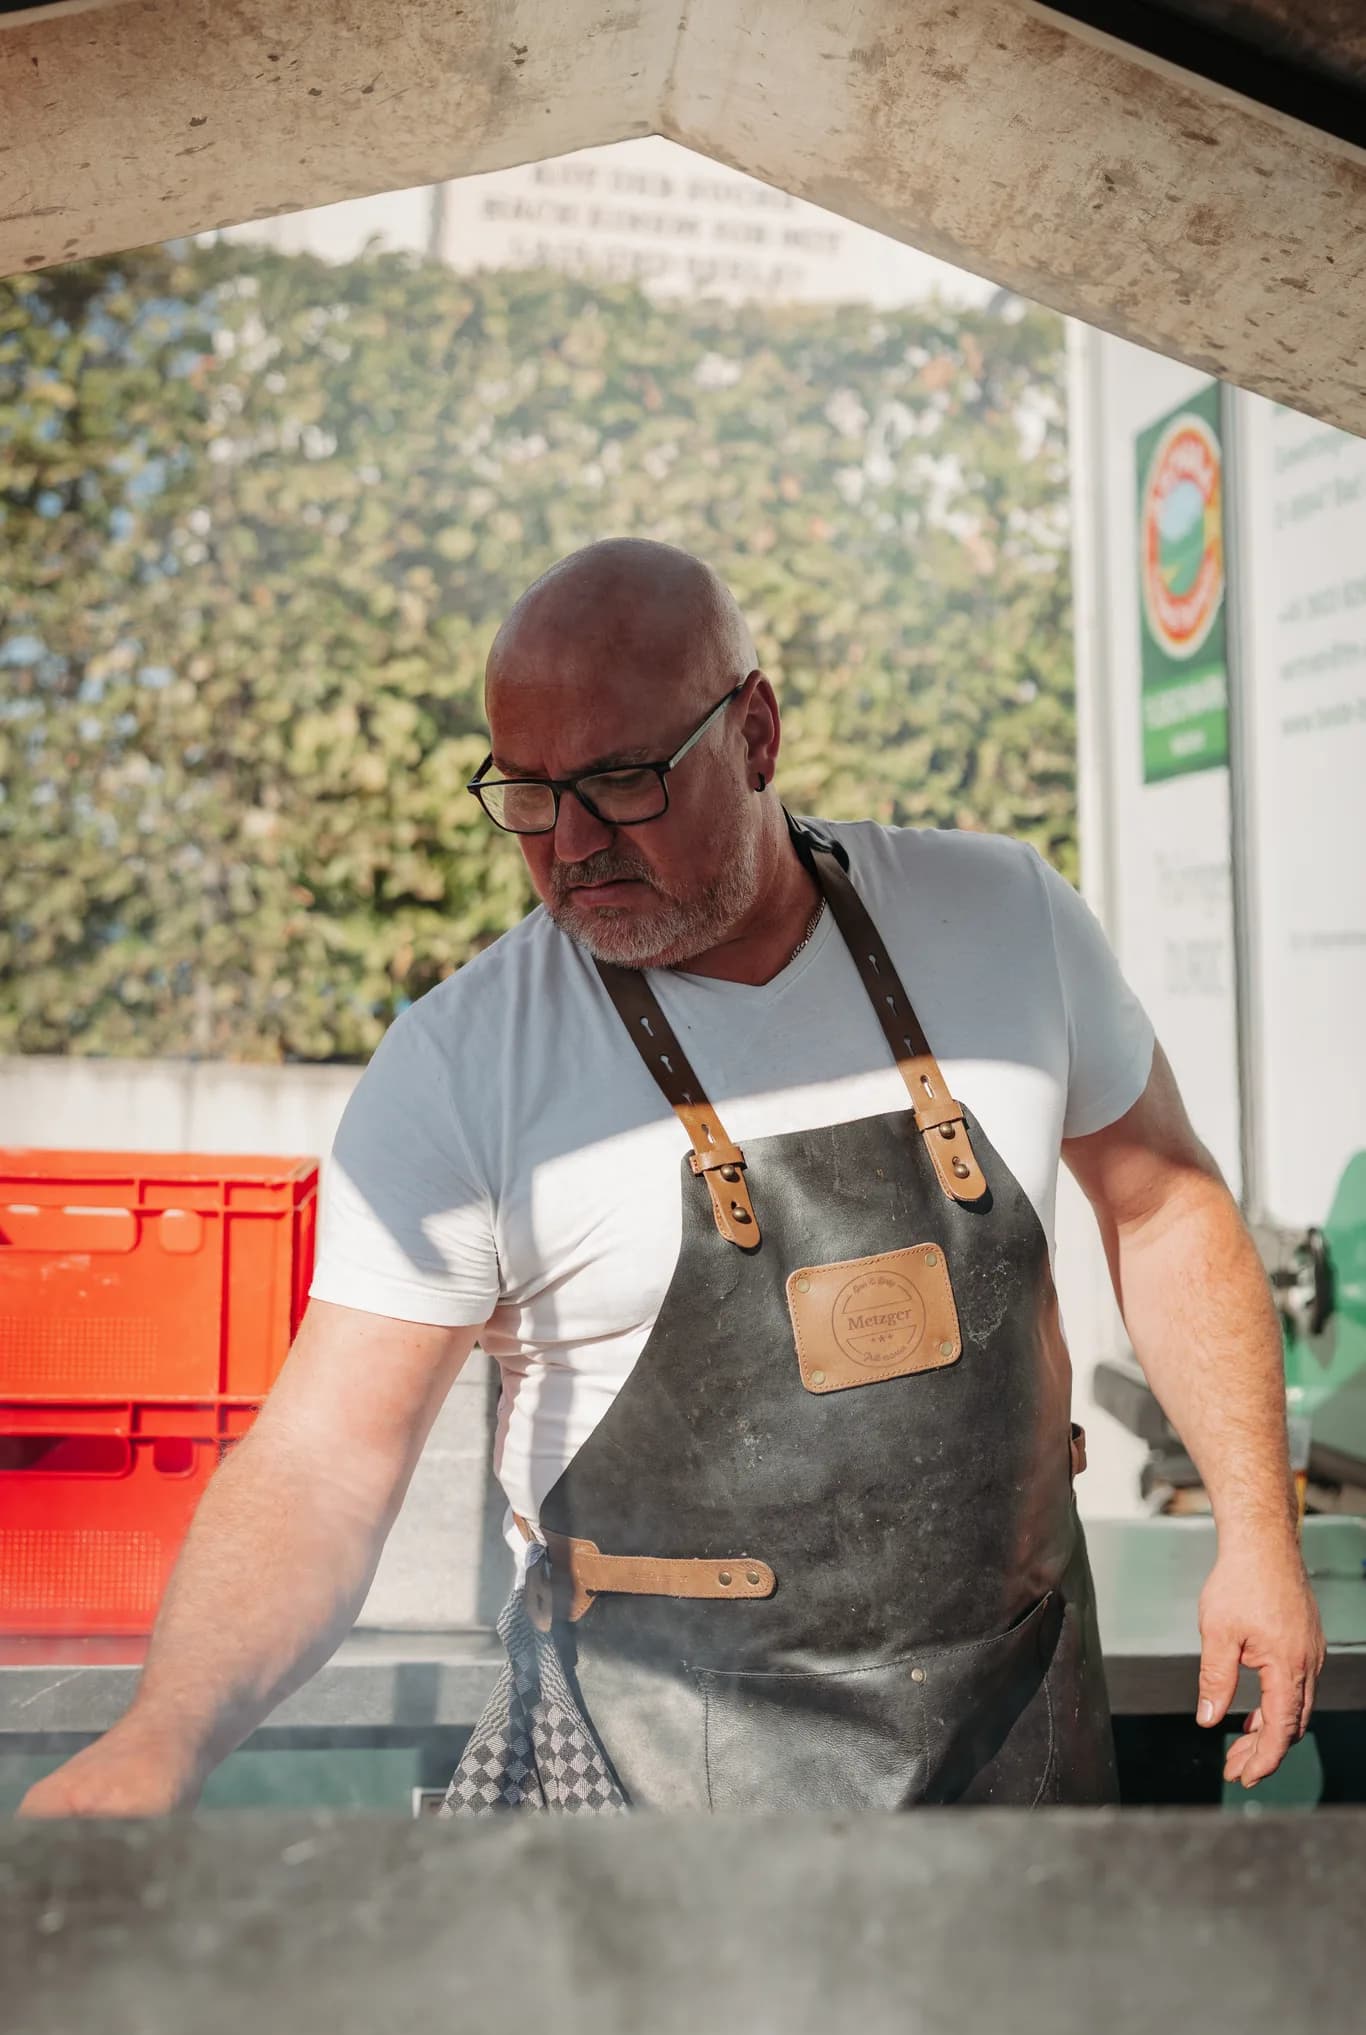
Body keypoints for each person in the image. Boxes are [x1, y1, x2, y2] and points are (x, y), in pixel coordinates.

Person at [21, 538, 1324, 1816]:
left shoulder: (1003, 918)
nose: (567, 842)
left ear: (755, 733)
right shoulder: (463, 1062)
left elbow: (1162, 1205)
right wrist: (166, 1734)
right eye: (524, 793)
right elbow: (322, 1460)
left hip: (1016, 1749)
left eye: (620, 780)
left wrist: (1257, 1540)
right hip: (654, 1791)